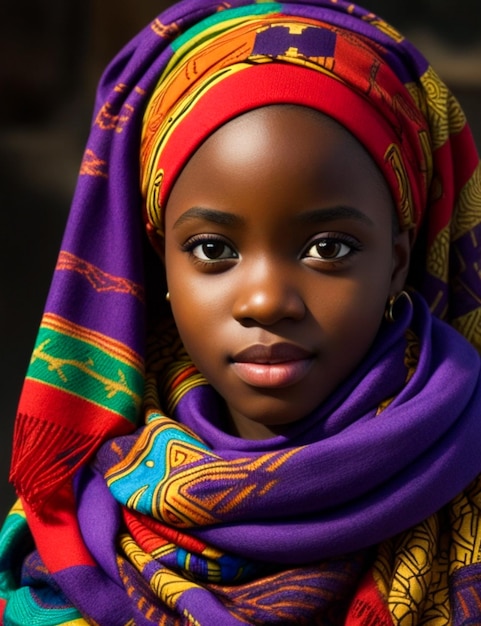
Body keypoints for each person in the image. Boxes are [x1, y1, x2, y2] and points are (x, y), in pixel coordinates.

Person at [1, 0, 481, 623]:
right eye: (212, 250)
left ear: (395, 261)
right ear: (159, 263)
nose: (265, 302)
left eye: (327, 248)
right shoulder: (71, 532)